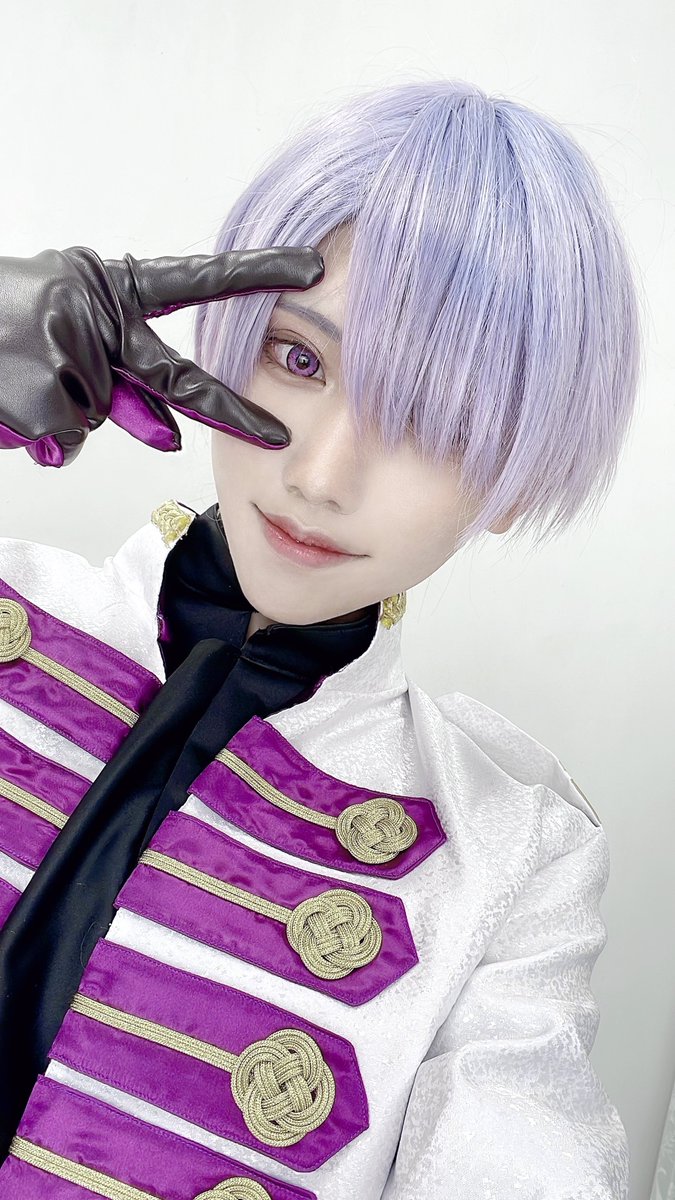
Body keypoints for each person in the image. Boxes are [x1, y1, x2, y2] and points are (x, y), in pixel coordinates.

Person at [0, 79, 642, 1199]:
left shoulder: (509, 848)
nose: (321, 475)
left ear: (512, 482)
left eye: (431, 418)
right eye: (298, 359)